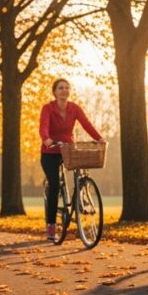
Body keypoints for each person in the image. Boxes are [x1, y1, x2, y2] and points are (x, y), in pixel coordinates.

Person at [39, 78, 104, 242]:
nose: (64, 91)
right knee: (54, 185)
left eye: (67, 88)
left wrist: (100, 138)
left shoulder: (74, 108)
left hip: (68, 149)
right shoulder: (48, 108)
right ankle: (51, 225)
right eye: (60, 88)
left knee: (80, 173)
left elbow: (86, 124)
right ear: (54, 92)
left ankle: (80, 198)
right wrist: (46, 139)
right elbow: (43, 126)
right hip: (51, 151)